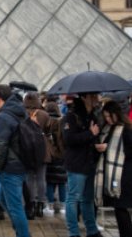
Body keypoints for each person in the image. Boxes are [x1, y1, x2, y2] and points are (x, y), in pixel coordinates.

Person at [0, 84, 30, 237]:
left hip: (10, 166)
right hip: (22, 162)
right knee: (2, 197)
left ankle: (23, 233)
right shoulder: (21, 111)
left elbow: (0, 145)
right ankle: (20, 228)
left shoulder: (3, 117)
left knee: (16, 207)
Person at [62, 93, 101, 237]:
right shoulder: (71, 117)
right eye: (94, 96)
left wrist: (97, 143)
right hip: (76, 164)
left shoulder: (93, 116)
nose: (97, 98)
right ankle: (73, 232)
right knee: (73, 198)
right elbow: (69, 139)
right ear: (85, 98)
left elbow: (94, 137)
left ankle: (92, 230)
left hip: (90, 163)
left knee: (88, 199)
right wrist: (90, 133)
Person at [96, 99, 132, 237]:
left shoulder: (126, 129)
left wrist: (108, 148)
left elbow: (129, 151)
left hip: (124, 175)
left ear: (117, 114)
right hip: (114, 175)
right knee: (119, 208)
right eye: (105, 116)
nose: (108, 119)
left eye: (110, 116)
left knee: (121, 208)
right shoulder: (107, 128)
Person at [23, 91, 51, 218]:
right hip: (42, 149)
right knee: (41, 178)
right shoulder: (44, 114)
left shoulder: (23, 114)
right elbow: (48, 131)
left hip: (27, 148)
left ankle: (31, 203)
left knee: (29, 178)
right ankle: (41, 204)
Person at [44, 101, 67, 214]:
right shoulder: (62, 121)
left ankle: (50, 206)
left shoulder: (46, 121)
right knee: (62, 182)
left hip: (49, 155)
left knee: (50, 182)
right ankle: (63, 206)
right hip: (61, 155)